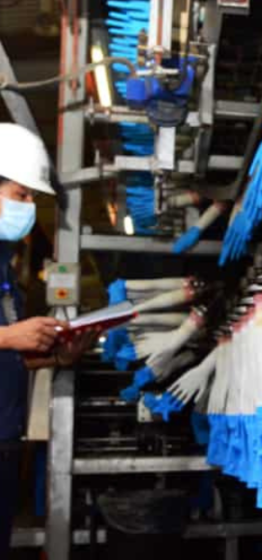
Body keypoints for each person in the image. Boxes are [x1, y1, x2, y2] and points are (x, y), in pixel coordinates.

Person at [0, 123, 97, 556]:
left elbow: (9, 356)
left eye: (31, 199)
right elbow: (6, 341)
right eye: (21, 195)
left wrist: (56, 357)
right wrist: (9, 335)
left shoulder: (5, 269)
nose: (28, 208)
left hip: (5, 440)